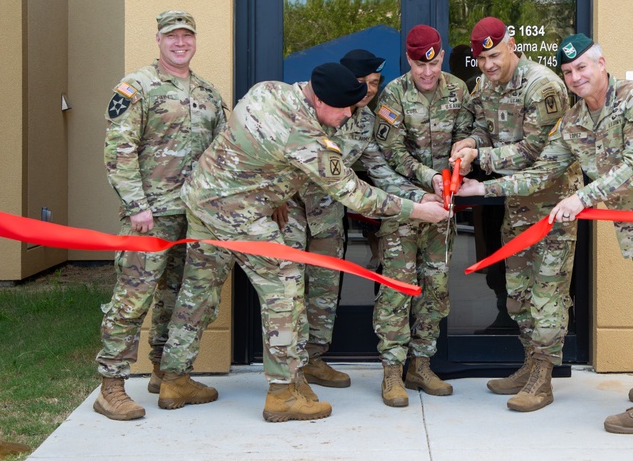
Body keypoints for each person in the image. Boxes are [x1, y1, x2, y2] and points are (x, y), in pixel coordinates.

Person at [158, 63, 449, 422]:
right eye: (343, 108)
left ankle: (173, 379)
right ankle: (282, 394)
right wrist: (418, 209)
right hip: (239, 214)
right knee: (285, 287)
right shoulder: (308, 136)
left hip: (203, 200)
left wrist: (271, 189)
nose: (346, 116)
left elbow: (248, 143)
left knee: (198, 292)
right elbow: (355, 195)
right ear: (320, 100)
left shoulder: (268, 89)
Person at [457, 33, 633, 434]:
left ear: (601, 63)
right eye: (569, 71)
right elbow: (543, 171)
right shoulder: (573, 121)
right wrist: (481, 188)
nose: (576, 77)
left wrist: (582, 197)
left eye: (582, 67)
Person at [95, 10, 226, 421]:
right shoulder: (137, 87)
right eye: (172, 36)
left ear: (194, 40)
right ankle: (111, 386)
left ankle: (168, 375)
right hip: (150, 216)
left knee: (180, 299)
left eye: (187, 35)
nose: (180, 42)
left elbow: (223, 154)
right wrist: (137, 207)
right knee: (133, 299)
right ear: (158, 40)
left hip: (195, 216)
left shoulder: (208, 93)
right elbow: (119, 151)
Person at [278, 49, 431, 390]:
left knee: (324, 290)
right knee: (287, 291)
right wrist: (273, 196)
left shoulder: (366, 123)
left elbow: (380, 172)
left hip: (329, 215)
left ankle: (314, 358)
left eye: (375, 83)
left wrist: (420, 196)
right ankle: (290, 369)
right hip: (290, 210)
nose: (368, 90)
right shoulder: (307, 109)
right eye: (362, 83)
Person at [450, 17, 581, 413]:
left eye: (494, 55)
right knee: (520, 292)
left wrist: (480, 158)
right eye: (482, 59)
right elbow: (482, 127)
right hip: (516, 204)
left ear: (511, 44)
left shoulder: (543, 87)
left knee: (548, 293)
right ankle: (529, 364)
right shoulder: (484, 85)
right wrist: (469, 142)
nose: (489, 65)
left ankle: (543, 377)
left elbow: (534, 153)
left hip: (553, 205)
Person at [372, 25, 473, 407]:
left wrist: (456, 170)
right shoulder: (393, 94)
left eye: (432, 64)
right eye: (419, 66)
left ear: (441, 55)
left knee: (435, 286)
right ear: (409, 61)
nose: (427, 73)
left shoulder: (458, 90)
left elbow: (466, 135)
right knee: (398, 288)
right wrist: (426, 179)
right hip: (404, 206)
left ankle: (421, 364)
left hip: (443, 207)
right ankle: (392, 372)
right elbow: (391, 154)